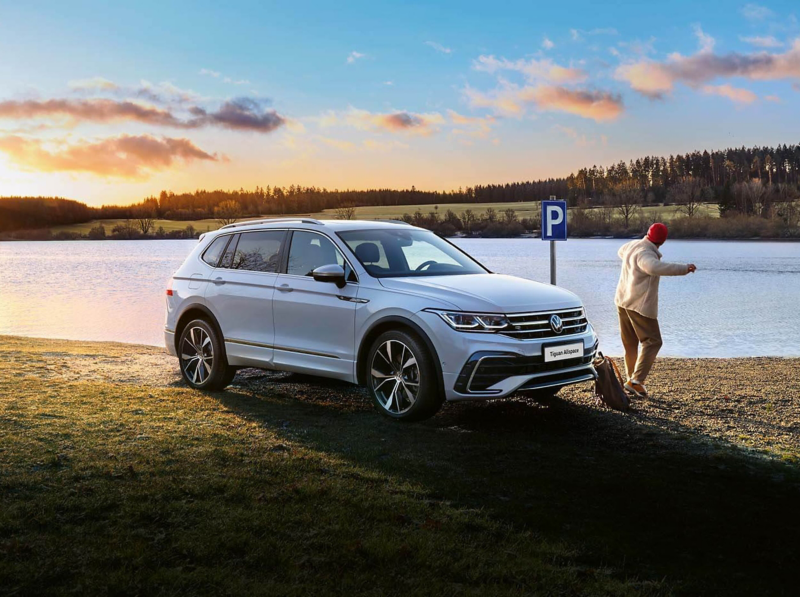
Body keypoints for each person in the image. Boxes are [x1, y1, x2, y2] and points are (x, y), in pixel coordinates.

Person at [614, 223, 696, 398]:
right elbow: (653, 267)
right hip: (638, 305)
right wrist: (684, 268)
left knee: (630, 344)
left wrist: (629, 258)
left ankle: (631, 380)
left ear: (648, 234)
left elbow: (621, 251)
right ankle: (636, 381)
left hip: (622, 301)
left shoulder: (633, 245)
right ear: (663, 241)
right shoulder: (646, 253)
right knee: (653, 341)